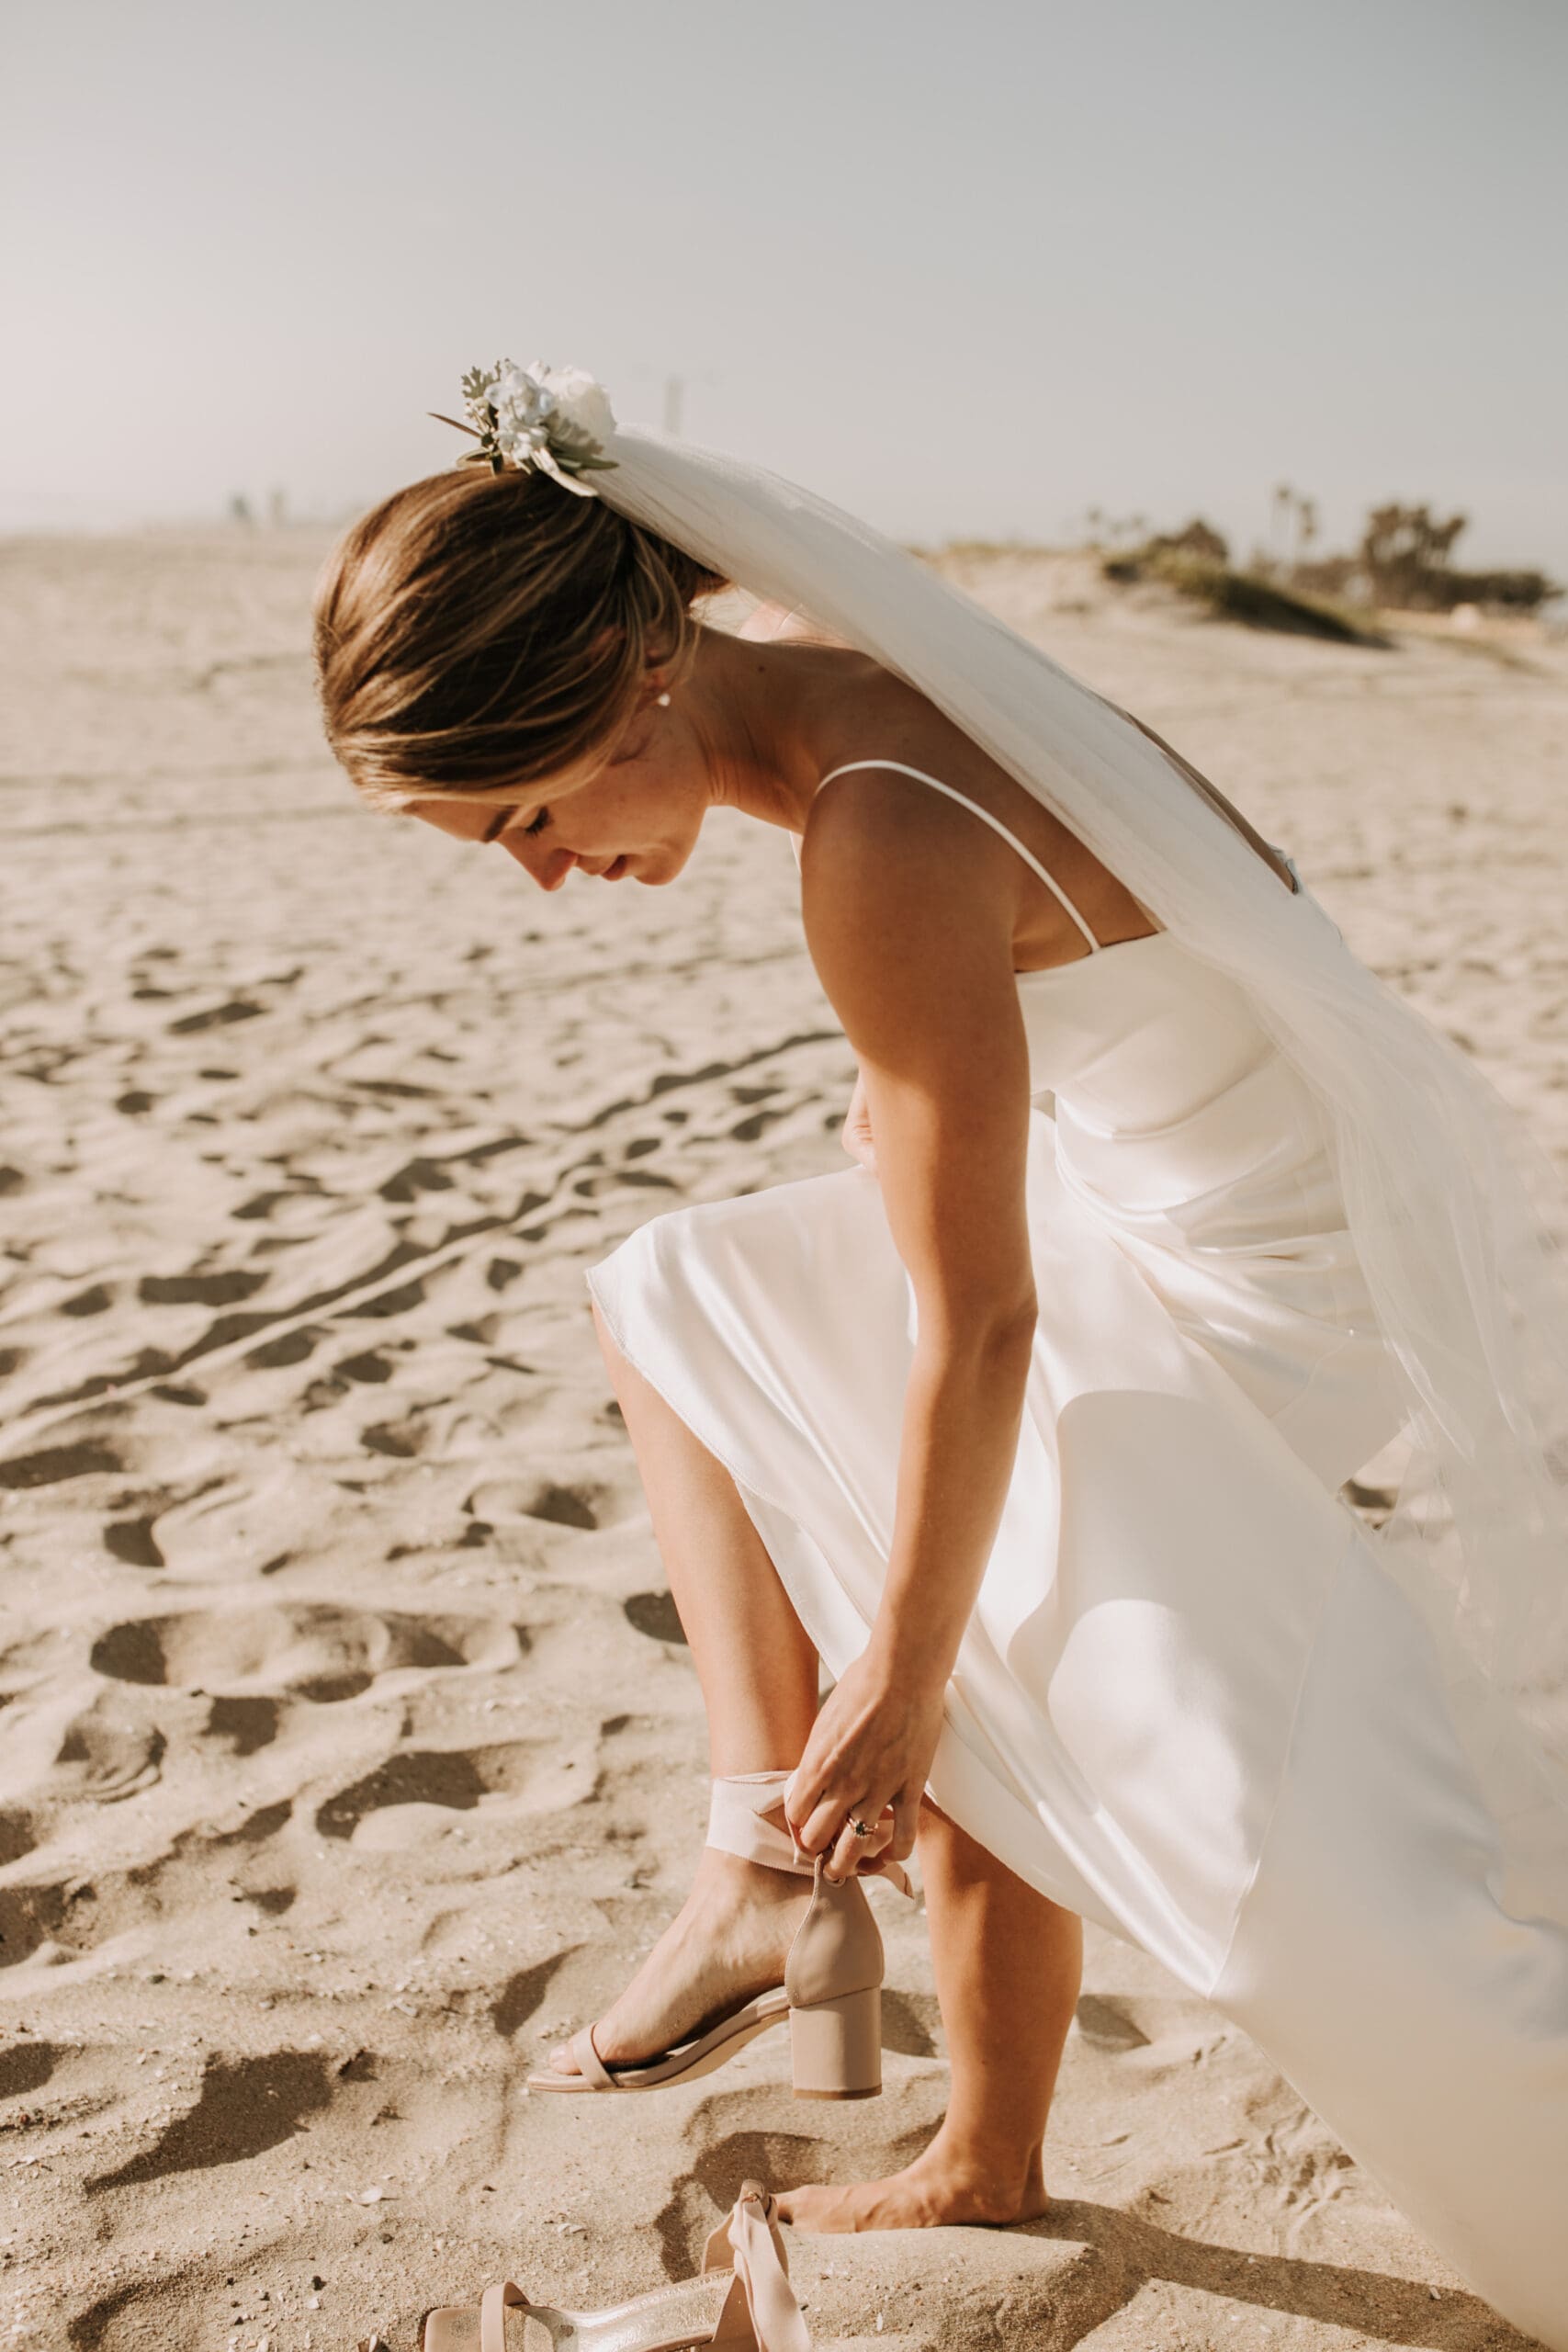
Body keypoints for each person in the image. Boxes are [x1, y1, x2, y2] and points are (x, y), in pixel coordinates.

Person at [313, 362, 1568, 2350]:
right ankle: (926, 2075)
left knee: (1252, 1871)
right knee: (682, 1287)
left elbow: (980, 1325)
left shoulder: (875, 832)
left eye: (532, 814)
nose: (546, 876)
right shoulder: (854, 675)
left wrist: (890, 1684)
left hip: (1247, 1296)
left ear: (639, 682)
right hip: (1205, 1205)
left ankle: (767, 1873)